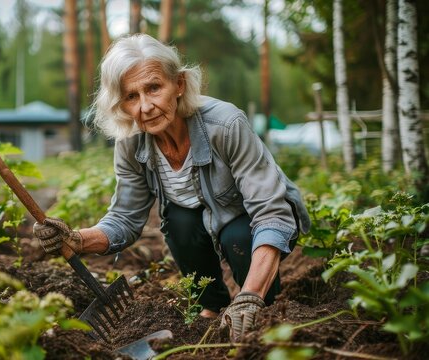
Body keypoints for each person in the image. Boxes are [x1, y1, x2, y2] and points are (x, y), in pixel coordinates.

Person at [33, 33, 310, 342]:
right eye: (131, 96)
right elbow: (125, 218)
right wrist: (76, 238)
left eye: (153, 88)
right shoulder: (130, 142)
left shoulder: (226, 125)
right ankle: (211, 307)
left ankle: (260, 305)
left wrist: (251, 296)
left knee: (237, 235)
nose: (146, 106)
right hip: (196, 223)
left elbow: (272, 214)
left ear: (178, 84)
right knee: (178, 221)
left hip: (252, 223)